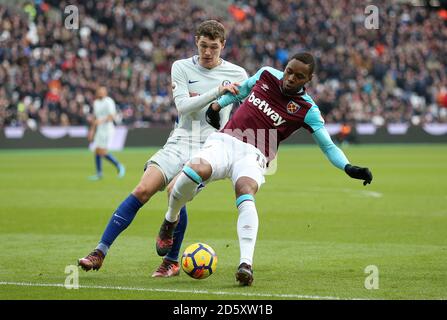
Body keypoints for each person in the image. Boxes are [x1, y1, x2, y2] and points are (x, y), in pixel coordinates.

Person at [155, 52, 373, 286]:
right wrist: (217, 105)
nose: (290, 78)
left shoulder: (308, 110)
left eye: (299, 76)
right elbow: (241, 90)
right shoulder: (266, 74)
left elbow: (328, 146)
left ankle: (245, 265)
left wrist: (348, 167)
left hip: (255, 155)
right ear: (285, 67)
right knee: (192, 172)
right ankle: (170, 220)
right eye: (289, 71)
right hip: (225, 141)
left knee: (245, 191)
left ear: (308, 80)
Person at [78, 20, 248, 277]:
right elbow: (183, 107)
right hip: (178, 141)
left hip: (209, 149)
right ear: (196, 42)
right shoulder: (180, 67)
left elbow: (248, 110)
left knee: (173, 191)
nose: (208, 52)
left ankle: (171, 260)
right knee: (142, 189)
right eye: (203, 46)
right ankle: (99, 252)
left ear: (223, 45)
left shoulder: (238, 74)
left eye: (214, 47)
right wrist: (217, 91)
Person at [87, 86, 126, 181]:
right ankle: (99, 173)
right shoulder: (96, 103)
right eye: (99, 91)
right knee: (97, 150)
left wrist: (101, 121)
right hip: (99, 130)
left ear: (105, 92)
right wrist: (92, 130)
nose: (100, 93)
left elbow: (112, 116)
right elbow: (95, 118)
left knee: (101, 151)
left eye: (102, 91)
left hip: (107, 129)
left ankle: (119, 165)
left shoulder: (109, 101)